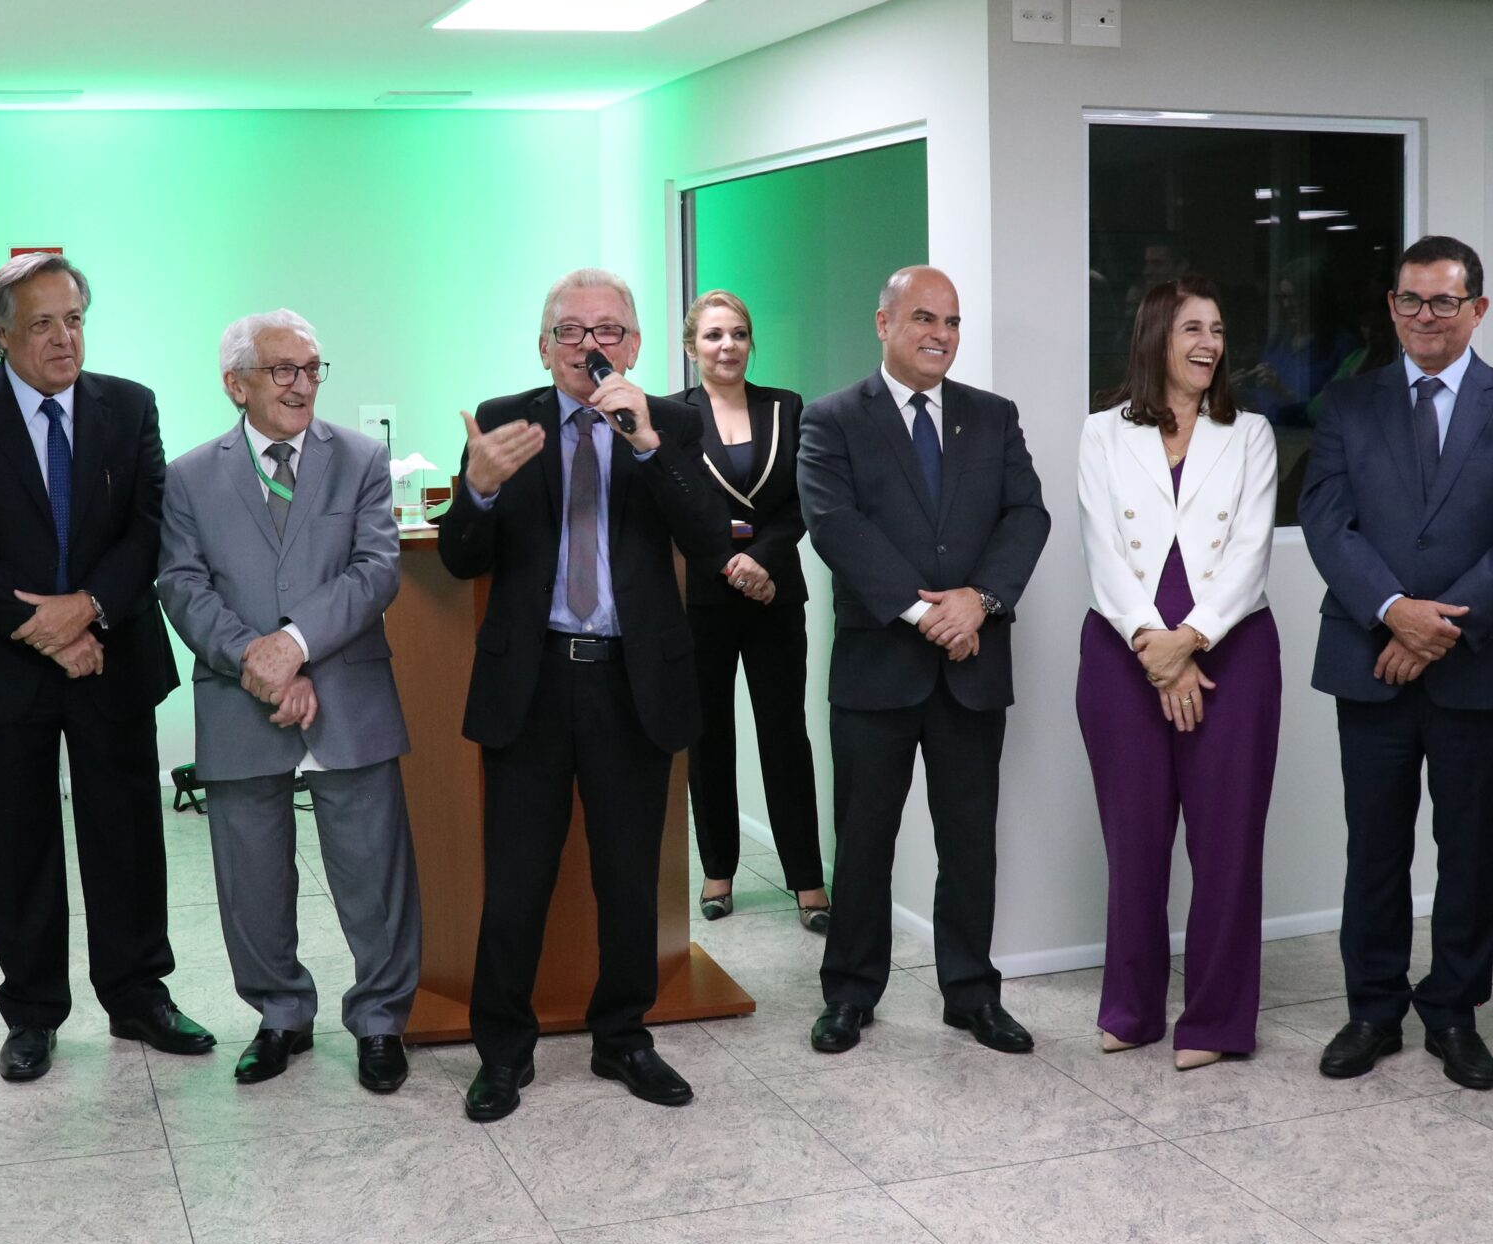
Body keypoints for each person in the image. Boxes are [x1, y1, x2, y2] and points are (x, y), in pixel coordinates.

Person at [440, 268, 731, 1122]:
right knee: (517, 880)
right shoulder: (504, 420)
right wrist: (479, 488)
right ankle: (503, 1052)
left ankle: (623, 1037)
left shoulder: (669, 420)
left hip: (631, 682)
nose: (589, 346)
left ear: (634, 346)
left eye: (608, 331)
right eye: (570, 331)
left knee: (628, 876)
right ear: (543, 346)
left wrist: (645, 444)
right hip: (530, 683)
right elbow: (462, 557)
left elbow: (712, 539)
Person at [0, 253, 212, 1086]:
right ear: (0, 332)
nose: (62, 338)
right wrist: (43, 627)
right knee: (19, 843)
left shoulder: (129, 405)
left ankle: (138, 994)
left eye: (74, 319)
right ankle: (33, 1013)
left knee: (126, 829)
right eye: (42, 322)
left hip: (110, 651)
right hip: (4, 659)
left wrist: (88, 608)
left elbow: (151, 524)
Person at [1298, 235, 1493, 1091]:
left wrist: (1439, 627)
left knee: (1472, 847)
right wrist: (1393, 613)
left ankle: (1452, 1008)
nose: (1424, 316)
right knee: (1373, 846)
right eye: (1410, 300)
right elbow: (1326, 522)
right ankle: (1373, 1007)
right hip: (1368, 658)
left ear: (1477, 309)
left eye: (1443, 301)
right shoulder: (1345, 403)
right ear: (1391, 306)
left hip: (1480, 668)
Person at [157, 309, 420, 1093]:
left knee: (374, 872)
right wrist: (254, 659)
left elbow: (377, 569)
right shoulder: (190, 475)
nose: (301, 383)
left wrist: (296, 646)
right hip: (242, 698)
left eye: (311, 368)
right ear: (236, 383)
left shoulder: (362, 458)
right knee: (252, 877)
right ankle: (280, 1015)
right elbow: (182, 582)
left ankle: (380, 1021)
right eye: (282, 370)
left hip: (347, 692)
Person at [798, 266, 1049, 1057]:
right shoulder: (833, 419)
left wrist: (980, 600)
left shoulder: (992, 415)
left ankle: (971, 992)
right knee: (865, 836)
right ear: (884, 323)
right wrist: (928, 614)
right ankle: (850, 994)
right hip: (878, 669)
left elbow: (1027, 514)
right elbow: (835, 526)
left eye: (951, 321)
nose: (939, 334)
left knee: (971, 838)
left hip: (973, 667)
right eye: (922, 318)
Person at [1075, 279, 1281, 1069]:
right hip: (1126, 647)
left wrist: (1190, 639)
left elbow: (1251, 550)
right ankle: (1130, 1009)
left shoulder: (1250, 432)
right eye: (1192, 327)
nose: (1208, 342)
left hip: (1230, 644)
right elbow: (1102, 548)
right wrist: (1156, 650)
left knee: (1228, 843)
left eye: (1219, 329)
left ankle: (1218, 1021)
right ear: (1157, 334)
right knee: (1134, 840)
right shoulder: (1101, 432)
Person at [675, 290, 828, 932]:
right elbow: (676, 504)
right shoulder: (672, 417)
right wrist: (727, 564)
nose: (727, 346)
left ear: (750, 342)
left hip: (774, 595)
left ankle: (807, 880)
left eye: (737, 333)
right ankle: (718, 870)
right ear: (692, 347)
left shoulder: (785, 407)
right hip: (705, 599)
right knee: (708, 736)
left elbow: (802, 500)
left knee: (784, 734)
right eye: (713, 336)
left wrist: (762, 559)